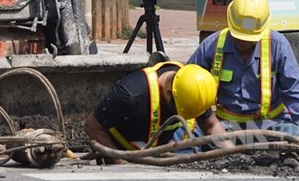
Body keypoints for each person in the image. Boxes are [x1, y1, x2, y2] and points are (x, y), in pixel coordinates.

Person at [187, 0, 299, 136]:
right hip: (222, 127)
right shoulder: (212, 45)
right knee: (186, 136)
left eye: (249, 39)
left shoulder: (278, 46)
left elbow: (294, 92)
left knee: (294, 134)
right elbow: (188, 83)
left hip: (268, 127)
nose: (243, 42)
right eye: (239, 37)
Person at [84, 61, 228, 160]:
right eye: (180, 112)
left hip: (165, 150)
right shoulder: (130, 95)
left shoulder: (192, 89)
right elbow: (92, 125)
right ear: (169, 93)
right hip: (127, 151)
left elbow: (211, 125)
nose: (181, 116)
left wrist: (230, 154)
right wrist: (119, 163)